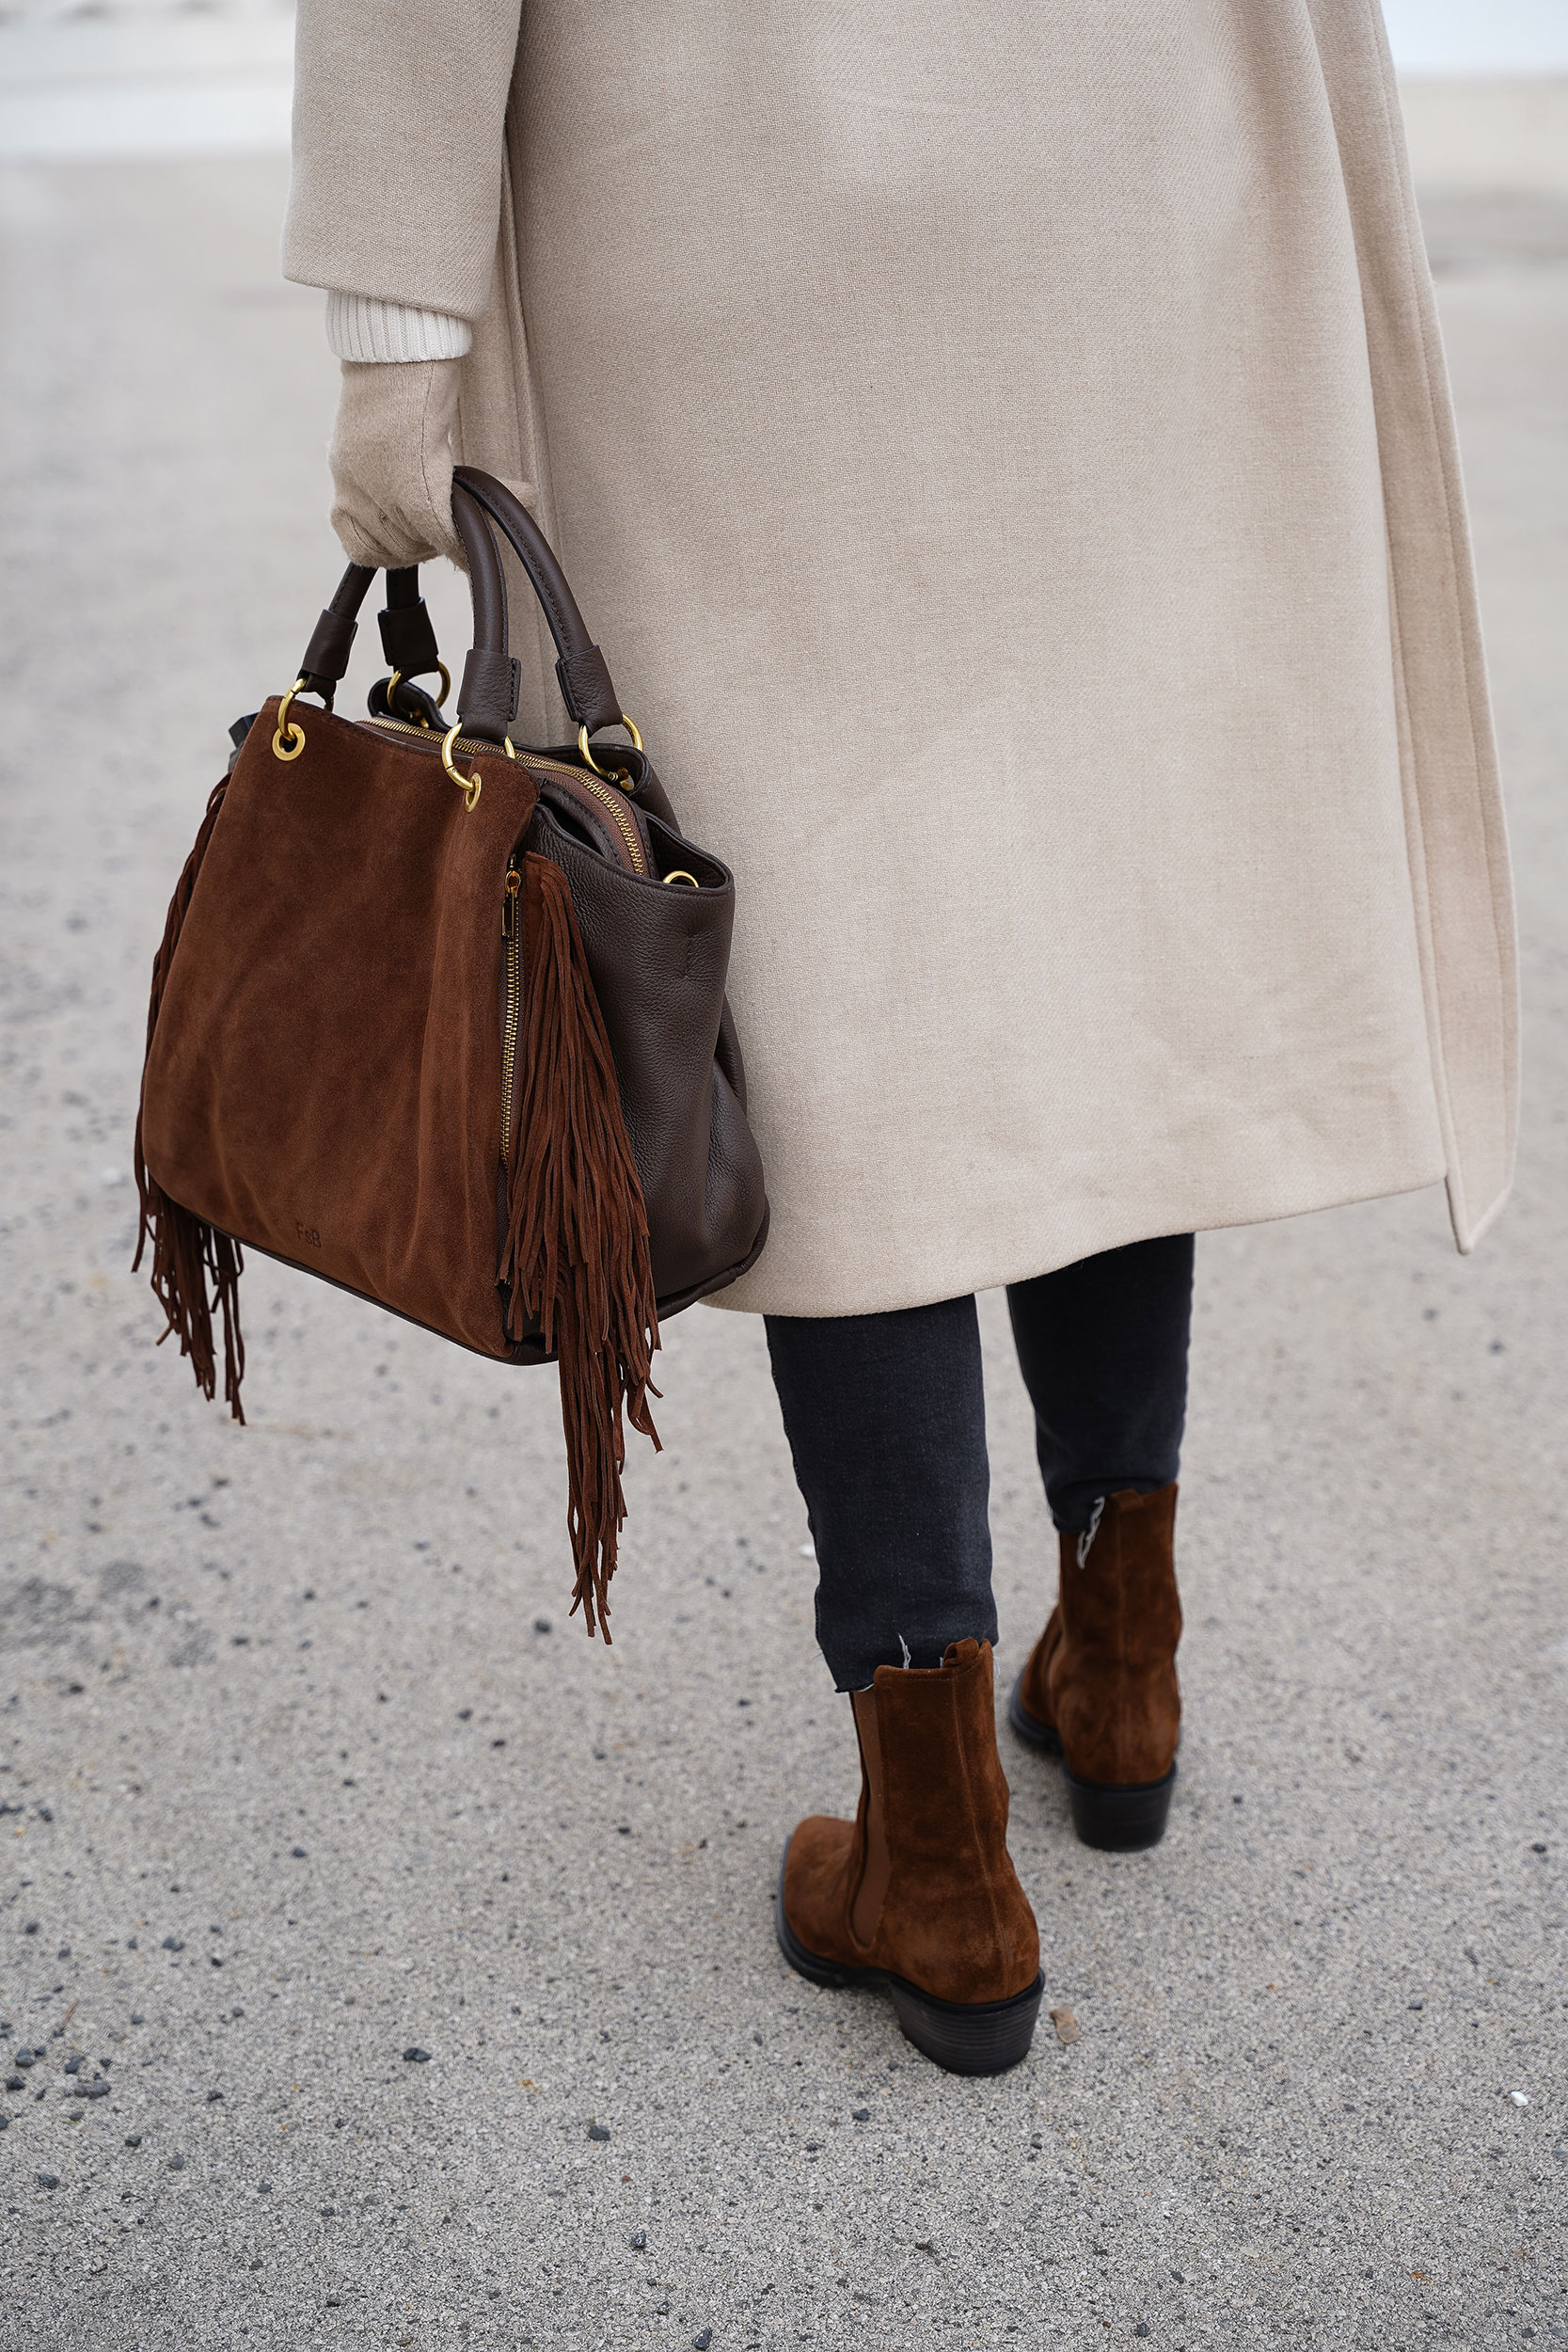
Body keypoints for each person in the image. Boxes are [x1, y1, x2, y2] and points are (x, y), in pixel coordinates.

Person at [283, 0, 1516, 2075]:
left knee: (837, 985)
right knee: (1079, 928)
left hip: (737, 188)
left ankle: (937, 1837)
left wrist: (394, 310)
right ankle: (1120, 1657)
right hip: (1139, 170)